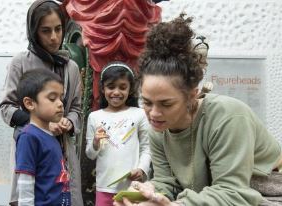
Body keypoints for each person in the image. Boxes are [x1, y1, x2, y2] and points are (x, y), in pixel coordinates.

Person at [113, 14, 282, 206]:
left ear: (192, 95)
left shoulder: (228, 117)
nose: (153, 113)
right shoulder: (158, 130)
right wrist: (147, 195)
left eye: (166, 104)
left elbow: (233, 192)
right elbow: (166, 183)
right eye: (147, 102)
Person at [0, 0, 83, 205]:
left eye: (58, 29)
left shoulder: (70, 66)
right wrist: (41, 124)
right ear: (34, 31)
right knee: (31, 194)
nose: (54, 37)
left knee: (64, 196)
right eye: (46, 30)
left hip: (62, 151)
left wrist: (68, 123)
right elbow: (6, 107)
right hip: (32, 148)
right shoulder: (21, 62)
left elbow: (76, 108)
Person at [85, 62, 151, 206]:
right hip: (104, 186)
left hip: (133, 187)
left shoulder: (139, 114)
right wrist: (95, 142)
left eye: (122, 87)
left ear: (131, 89)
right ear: (102, 89)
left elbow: (147, 147)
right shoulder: (95, 117)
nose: (116, 92)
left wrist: (141, 169)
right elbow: (90, 154)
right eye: (111, 86)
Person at [15, 69, 70, 205]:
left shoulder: (51, 135)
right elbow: (25, 184)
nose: (60, 103)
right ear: (30, 103)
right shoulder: (29, 137)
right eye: (52, 98)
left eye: (61, 97)